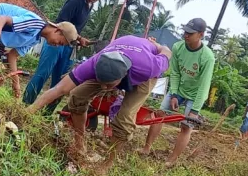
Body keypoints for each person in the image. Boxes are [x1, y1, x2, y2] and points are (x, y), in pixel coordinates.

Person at [29, 35, 171, 166]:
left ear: (124, 75)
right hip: (118, 56)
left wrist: (157, 45)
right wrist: (28, 112)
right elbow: (59, 88)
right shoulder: (94, 63)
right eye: (101, 82)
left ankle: (106, 166)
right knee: (77, 96)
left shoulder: (149, 67)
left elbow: (166, 51)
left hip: (143, 77)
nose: (104, 88)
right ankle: (80, 144)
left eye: (108, 85)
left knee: (124, 118)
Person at [22, 0, 114, 113]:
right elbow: (63, 23)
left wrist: (79, 38)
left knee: (62, 82)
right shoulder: (75, 1)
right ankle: (24, 106)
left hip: (70, 47)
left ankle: (46, 114)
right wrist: (78, 38)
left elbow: (76, 28)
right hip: (57, 41)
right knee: (42, 74)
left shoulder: (88, 6)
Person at [0, 2, 79, 106]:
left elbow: (12, 56)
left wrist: (16, 84)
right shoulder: (35, 24)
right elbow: (2, 19)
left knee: (0, 76)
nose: (57, 45)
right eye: (60, 42)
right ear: (57, 31)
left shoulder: (35, 39)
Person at [140, 18, 216, 166]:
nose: (186, 35)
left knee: (186, 126)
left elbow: (204, 85)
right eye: (185, 32)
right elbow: (175, 72)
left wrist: (194, 110)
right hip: (179, 89)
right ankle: (146, 148)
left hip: (195, 95)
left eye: (191, 33)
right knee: (159, 115)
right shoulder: (178, 47)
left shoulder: (207, 57)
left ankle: (172, 159)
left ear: (201, 35)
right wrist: (174, 94)